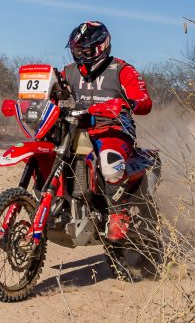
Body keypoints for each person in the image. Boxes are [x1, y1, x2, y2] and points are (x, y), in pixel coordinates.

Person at [60, 20, 152, 241]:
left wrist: (131, 103)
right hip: (79, 128)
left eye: (86, 51)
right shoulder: (69, 72)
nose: (81, 55)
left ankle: (118, 213)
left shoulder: (121, 70)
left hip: (114, 129)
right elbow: (52, 91)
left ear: (101, 47)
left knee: (110, 165)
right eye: (77, 50)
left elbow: (144, 102)